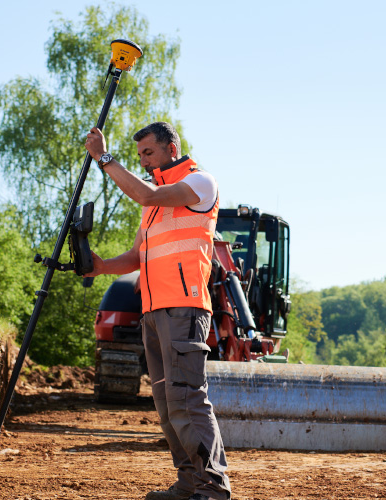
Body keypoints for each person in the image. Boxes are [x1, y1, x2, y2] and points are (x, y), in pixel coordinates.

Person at [84, 122, 231, 500]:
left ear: (172, 147)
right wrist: (101, 266)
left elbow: (147, 195)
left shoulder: (200, 183)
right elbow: (136, 257)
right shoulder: (154, 206)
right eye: (140, 157)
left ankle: (212, 489)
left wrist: (104, 158)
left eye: (149, 153)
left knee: (187, 398)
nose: (145, 162)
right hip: (153, 310)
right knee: (167, 406)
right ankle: (189, 483)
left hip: (185, 307)